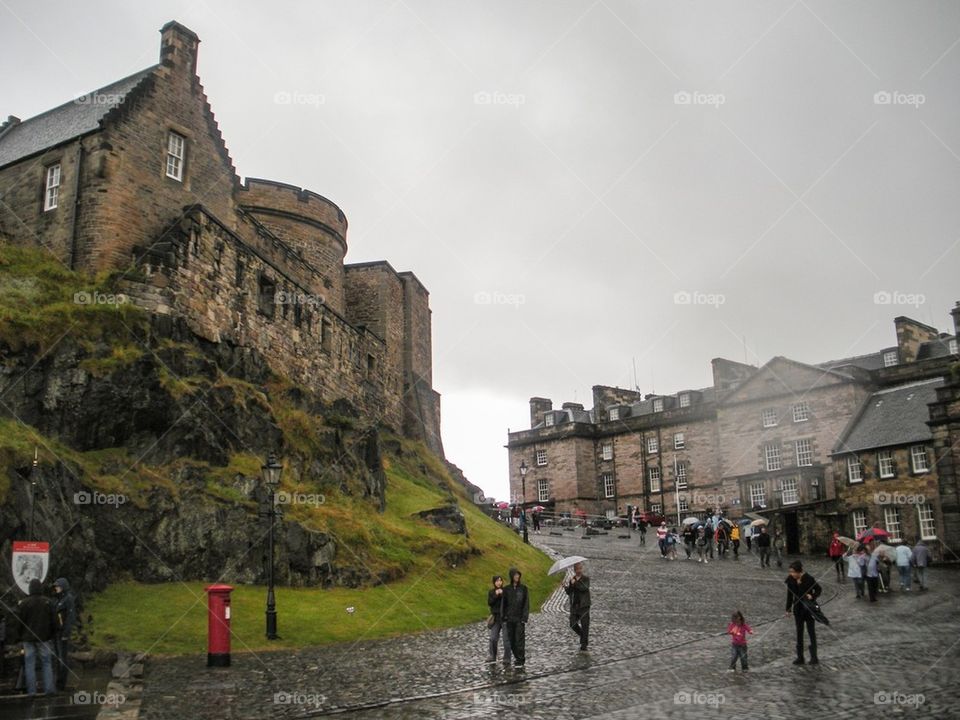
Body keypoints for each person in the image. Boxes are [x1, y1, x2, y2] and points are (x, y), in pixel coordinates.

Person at [12, 578, 58, 696]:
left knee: (29, 664)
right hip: (45, 638)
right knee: (47, 663)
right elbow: (54, 621)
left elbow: (19, 622)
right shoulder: (47, 602)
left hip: (28, 638)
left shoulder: (24, 603)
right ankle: (49, 689)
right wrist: (53, 634)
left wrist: (19, 636)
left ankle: (31, 691)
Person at [784, 560, 822, 665]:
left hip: (808, 609)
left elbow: (818, 589)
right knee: (799, 633)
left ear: (799, 572)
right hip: (798, 609)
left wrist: (812, 596)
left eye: (793, 572)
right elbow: (790, 595)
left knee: (811, 632)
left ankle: (814, 657)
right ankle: (800, 657)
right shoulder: (791, 580)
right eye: (790, 572)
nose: (791, 574)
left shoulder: (809, 579)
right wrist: (788, 609)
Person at [52, 577, 76, 691]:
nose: (56, 588)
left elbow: (70, 617)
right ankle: (59, 682)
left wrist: (66, 632)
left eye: (58, 586)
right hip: (57, 633)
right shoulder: (59, 599)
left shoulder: (68, 599)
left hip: (62, 633)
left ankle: (61, 683)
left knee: (62, 658)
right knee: (59, 658)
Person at [503, 567, 529, 668]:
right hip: (509, 619)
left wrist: (524, 617)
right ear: (511, 576)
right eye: (515, 575)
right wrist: (504, 616)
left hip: (519, 619)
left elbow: (526, 603)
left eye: (518, 575)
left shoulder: (523, 588)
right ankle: (516, 657)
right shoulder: (507, 589)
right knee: (512, 639)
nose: (517, 577)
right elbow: (504, 604)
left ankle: (521, 659)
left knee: (519, 640)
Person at [564, 562, 591, 652]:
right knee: (572, 624)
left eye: (580, 568)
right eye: (577, 569)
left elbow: (584, 588)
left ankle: (584, 645)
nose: (579, 570)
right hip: (575, 606)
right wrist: (566, 587)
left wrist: (575, 583)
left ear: (582, 569)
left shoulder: (586, 579)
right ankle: (583, 636)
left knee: (585, 625)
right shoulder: (572, 579)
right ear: (574, 570)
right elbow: (570, 592)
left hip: (584, 606)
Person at [486, 575, 506, 663]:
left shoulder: (505, 591)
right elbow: (490, 603)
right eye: (497, 581)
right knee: (493, 638)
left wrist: (502, 594)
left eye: (500, 581)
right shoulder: (491, 592)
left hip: (505, 618)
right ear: (494, 582)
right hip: (496, 619)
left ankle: (507, 657)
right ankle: (492, 655)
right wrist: (496, 595)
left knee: (507, 639)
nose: (499, 582)